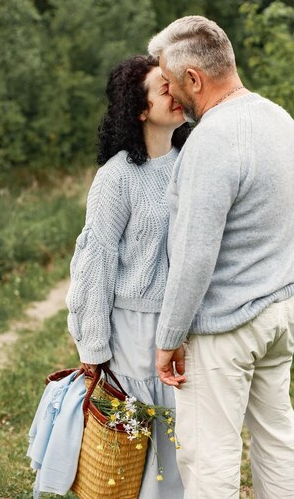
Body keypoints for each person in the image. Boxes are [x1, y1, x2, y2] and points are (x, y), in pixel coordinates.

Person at [148, 16, 294, 499]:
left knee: (209, 455)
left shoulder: (213, 139)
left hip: (228, 326)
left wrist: (169, 336)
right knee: (277, 438)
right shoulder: (281, 120)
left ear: (194, 78)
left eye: (173, 84)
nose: (172, 98)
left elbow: (195, 254)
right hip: (283, 310)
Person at [66, 55, 189, 498]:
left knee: (186, 451)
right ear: (140, 110)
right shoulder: (117, 177)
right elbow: (94, 263)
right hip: (134, 336)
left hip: (190, 327)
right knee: (145, 460)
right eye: (163, 88)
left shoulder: (192, 162)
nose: (176, 93)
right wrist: (93, 347)